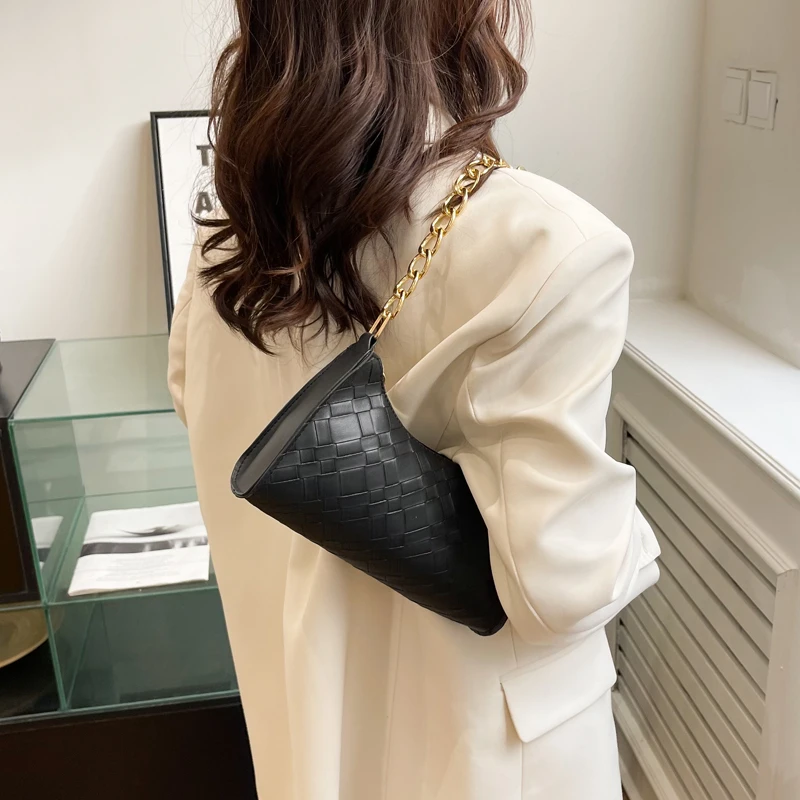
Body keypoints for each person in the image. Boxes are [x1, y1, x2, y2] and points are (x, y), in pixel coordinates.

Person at [168, 1, 660, 797]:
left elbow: (199, 409)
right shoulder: (547, 245)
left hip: (299, 739)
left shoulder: (222, 242)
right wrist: (638, 537)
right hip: (481, 765)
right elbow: (562, 587)